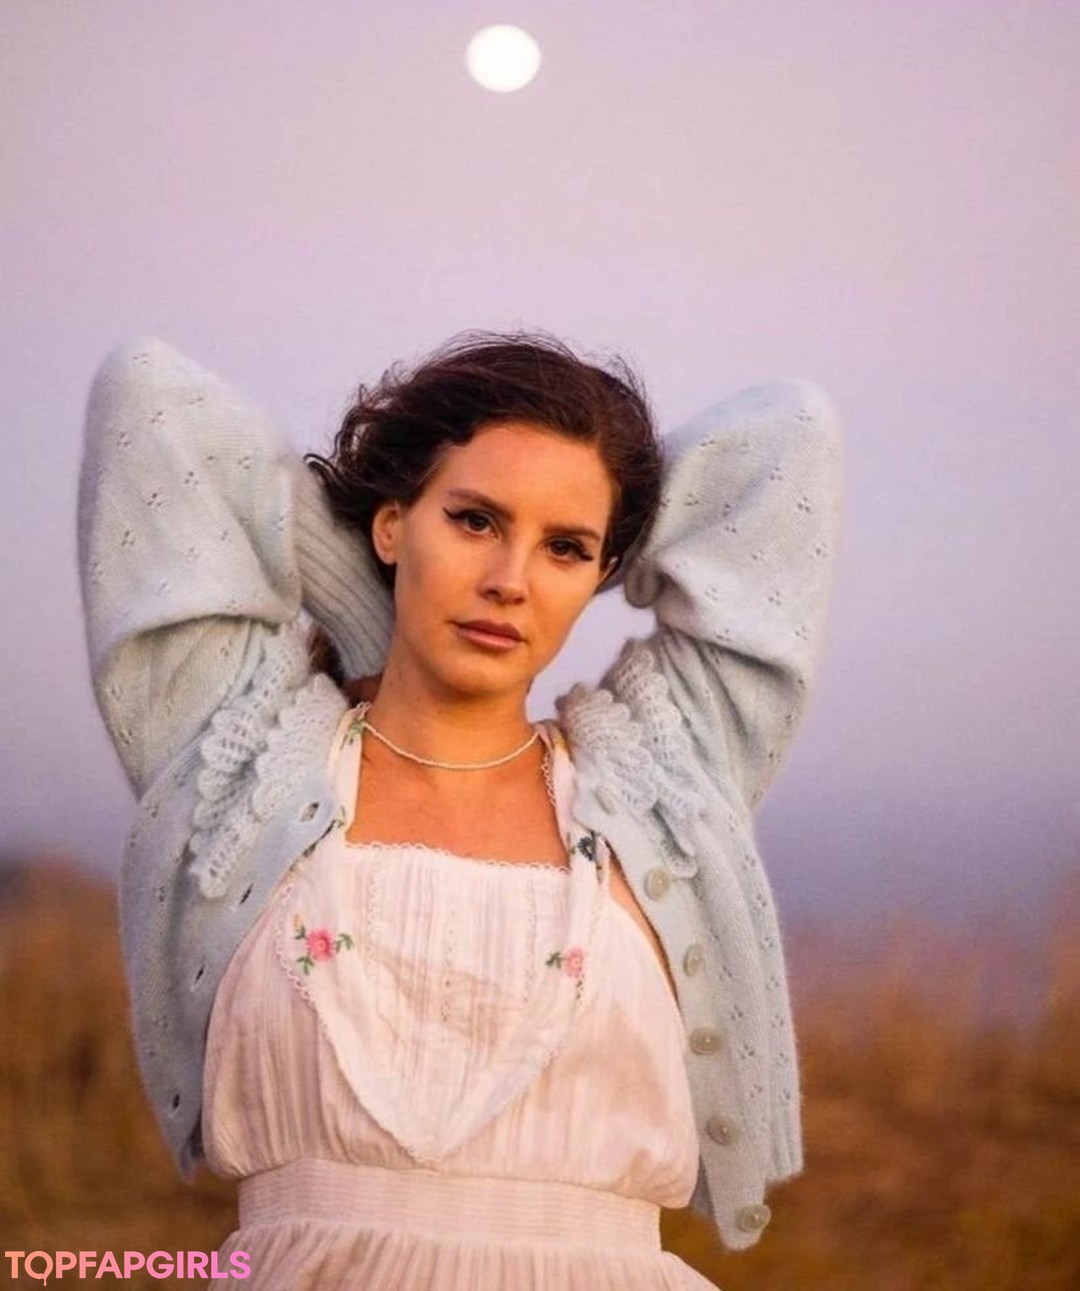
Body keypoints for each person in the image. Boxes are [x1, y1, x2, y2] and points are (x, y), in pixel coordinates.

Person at [77, 329, 843, 1289]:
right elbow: (149, 400)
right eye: (475, 520)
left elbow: (791, 438)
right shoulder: (243, 758)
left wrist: (607, 503)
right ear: (393, 524)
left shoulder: (664, 777)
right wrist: (365, 592)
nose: (510, 581)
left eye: (566, 548)